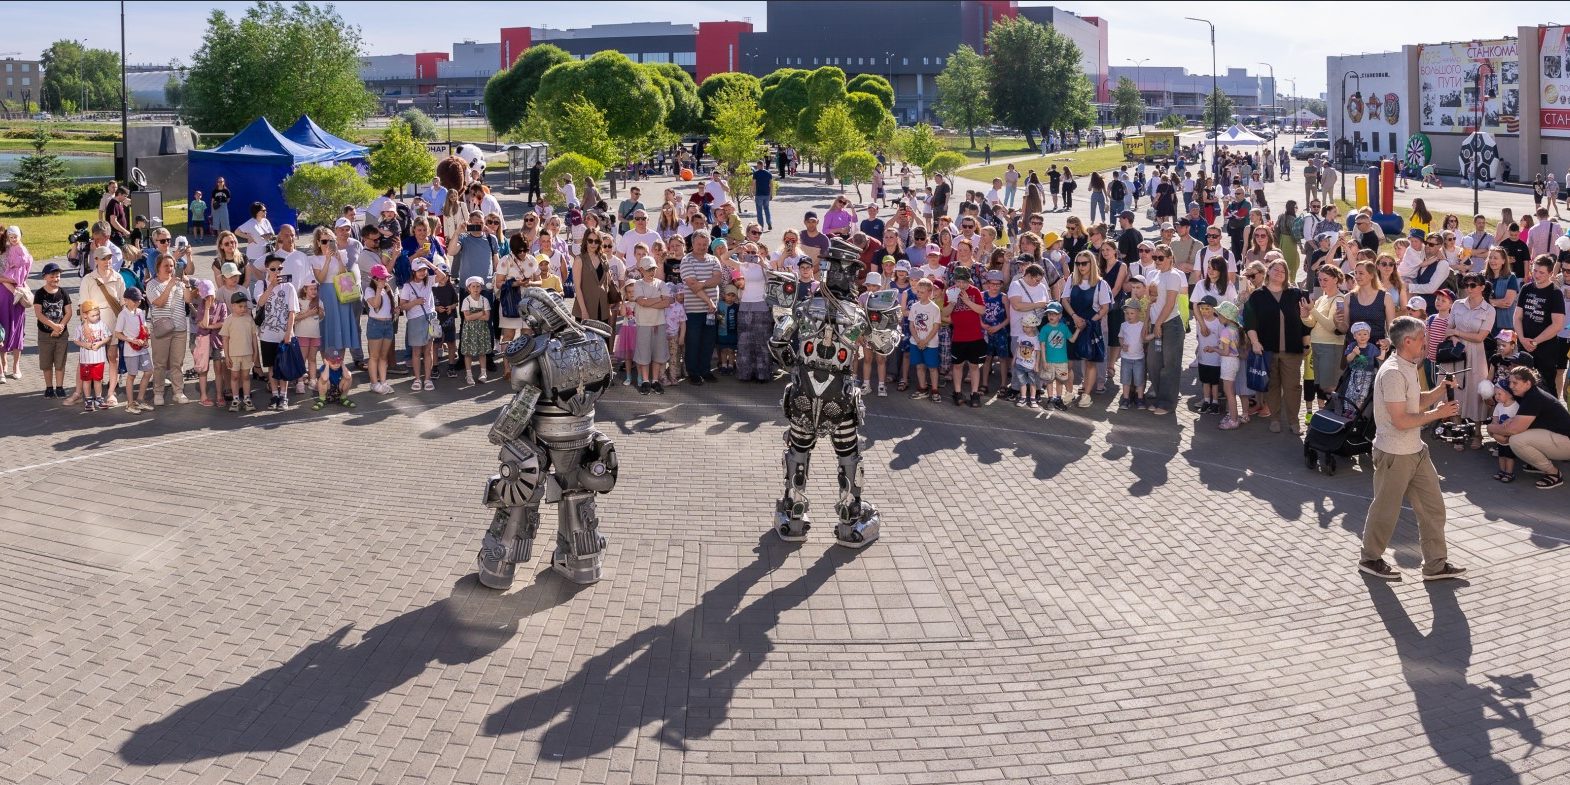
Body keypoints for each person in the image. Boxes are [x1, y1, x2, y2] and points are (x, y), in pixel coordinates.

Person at [1359, 315, 1466, 581]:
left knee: (1433, 508)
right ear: (1408, 341)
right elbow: (1401, 420)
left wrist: (1440, 390)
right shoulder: (1393, 372)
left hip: (1415, 450)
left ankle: (1435, 565)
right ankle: (1370, 559)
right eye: (1422, 338)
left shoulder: (1408, 365)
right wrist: (1438, 414)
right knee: (1385, 510)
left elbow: (1414, 403)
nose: (1426, 342)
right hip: (1394, 453)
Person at [1244, 259, 1308, 434]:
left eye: (1283, 271)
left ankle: (1294, 421)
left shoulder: (1295, 294)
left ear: (1287, 275)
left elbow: (1304, 321)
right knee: (1272, 386)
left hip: (1292, 350)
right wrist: (1255, 342)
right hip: (1267, 350)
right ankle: (1274, 418)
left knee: (1292, 387)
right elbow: (1250, 322)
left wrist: (1306, 343)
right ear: (1268, 271)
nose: (1279, 273)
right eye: (1276, 269)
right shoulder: (1257, 296)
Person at [1488, 366, 1570, 489]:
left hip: (1566, 442)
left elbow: (1513, 429)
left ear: (1528, 383)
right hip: (1559, 438)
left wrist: (1490, 428)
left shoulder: (1534, 397)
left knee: (1516, 440)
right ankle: (1537, 464)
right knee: (1518, 435)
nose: (1511, 386)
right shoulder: (1530, 393)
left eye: (1515, 383)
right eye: (1510, 382)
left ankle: (1554, 473)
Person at [146, 253, 194, 406]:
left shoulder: (179, 283)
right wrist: (169, 285)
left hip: (180, 328)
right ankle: (158, 393)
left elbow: (188, 300)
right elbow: (159, 303)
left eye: (172, 266)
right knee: (160, 363)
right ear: (158, 268)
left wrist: (187, 284)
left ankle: (178, 392)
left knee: (177, 363)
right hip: (161, 329)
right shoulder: (152, 284)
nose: (169, 269)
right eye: (166, 266)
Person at [1515, 255, 1567, 395]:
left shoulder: (1555, 293)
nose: (1537, 275)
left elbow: (1557, 325)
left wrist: (1535, 341)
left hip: (1545, 348)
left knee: (1546, 385)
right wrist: (1522, 338)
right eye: (1535, 270)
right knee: (1521, 384)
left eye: (1541, 272)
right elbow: (1517, 317)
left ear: (1550, 273)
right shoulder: (1526, 288)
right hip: (1524, 344)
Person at [680, 230, 724, 384]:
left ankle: (705, 371)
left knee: (708, 343)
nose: (702, 247)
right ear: (692, 244)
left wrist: (703, 284)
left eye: (705, 244)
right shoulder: (686, 260)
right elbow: (692, 285)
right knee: (693, 342)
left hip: (710, 312)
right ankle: (693, 373)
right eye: (699, 244)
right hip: (694, 311)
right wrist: (709, 301)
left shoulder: (714, 259)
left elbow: (717, 279)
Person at [400, 258, 439, 392]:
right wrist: (415, 302)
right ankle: (417, 379)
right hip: (415, 320)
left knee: (428, 351)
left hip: (430, 318)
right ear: (413, 271)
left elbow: (442, 276)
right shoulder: (407, 286)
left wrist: (428, 263)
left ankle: (427, 379)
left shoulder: (429, 281)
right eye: (419, 270)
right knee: (416, 351)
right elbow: (402, 306)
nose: (423, 272)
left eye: (424, 270)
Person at [0, 225, 32, 379]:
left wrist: (16, 280)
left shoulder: (14, 248)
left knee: (18, 329)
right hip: (2, 295)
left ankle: (16, 365)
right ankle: (3, 363)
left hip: (17, 293)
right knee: (2, 330)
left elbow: (26, 265)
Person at [220, 293, 258, 411]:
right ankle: (235, 399)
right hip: (234, 355)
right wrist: (227, 356)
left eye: (245, 306)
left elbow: (254, 337)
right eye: (240, 306)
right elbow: (225, 339)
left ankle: (247, 399)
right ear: (233, 306)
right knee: (235, 376)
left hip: (247, 353)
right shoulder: (228, 320)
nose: (243, 309)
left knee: (246, 377)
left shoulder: (249, 319)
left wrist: (255, 352)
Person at [72, 300, 110, 411]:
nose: (96, 317)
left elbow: (108, 336)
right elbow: (76, 340)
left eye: (97, 314)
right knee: (87, 380)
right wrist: (85, 344)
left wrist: (100, 343)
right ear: (85, 315)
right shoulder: (80, 327)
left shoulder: (102, 324)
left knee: (98, 380)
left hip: (99, 359)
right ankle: (88, 399)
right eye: (93, 315)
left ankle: (99, 398)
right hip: (86, 360)